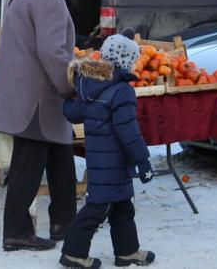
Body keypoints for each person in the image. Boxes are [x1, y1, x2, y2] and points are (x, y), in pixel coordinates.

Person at [0, 0, 79, 251]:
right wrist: (69, 86)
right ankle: (16, 232)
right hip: (38, 97)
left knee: (60, 155)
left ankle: (65, 223)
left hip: (29, 94)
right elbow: (52, 51)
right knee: (29, 164)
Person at [59, 28, 155, 268]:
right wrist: (143, 161)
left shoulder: (91, 86)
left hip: (102, 159)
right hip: (113, 161)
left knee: (123, 205)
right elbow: (128, 132)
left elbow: (74, 113)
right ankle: (73, 252)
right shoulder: (122, 91)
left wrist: (64, 100)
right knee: (98, 207)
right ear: (128, 61)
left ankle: (127, 252)